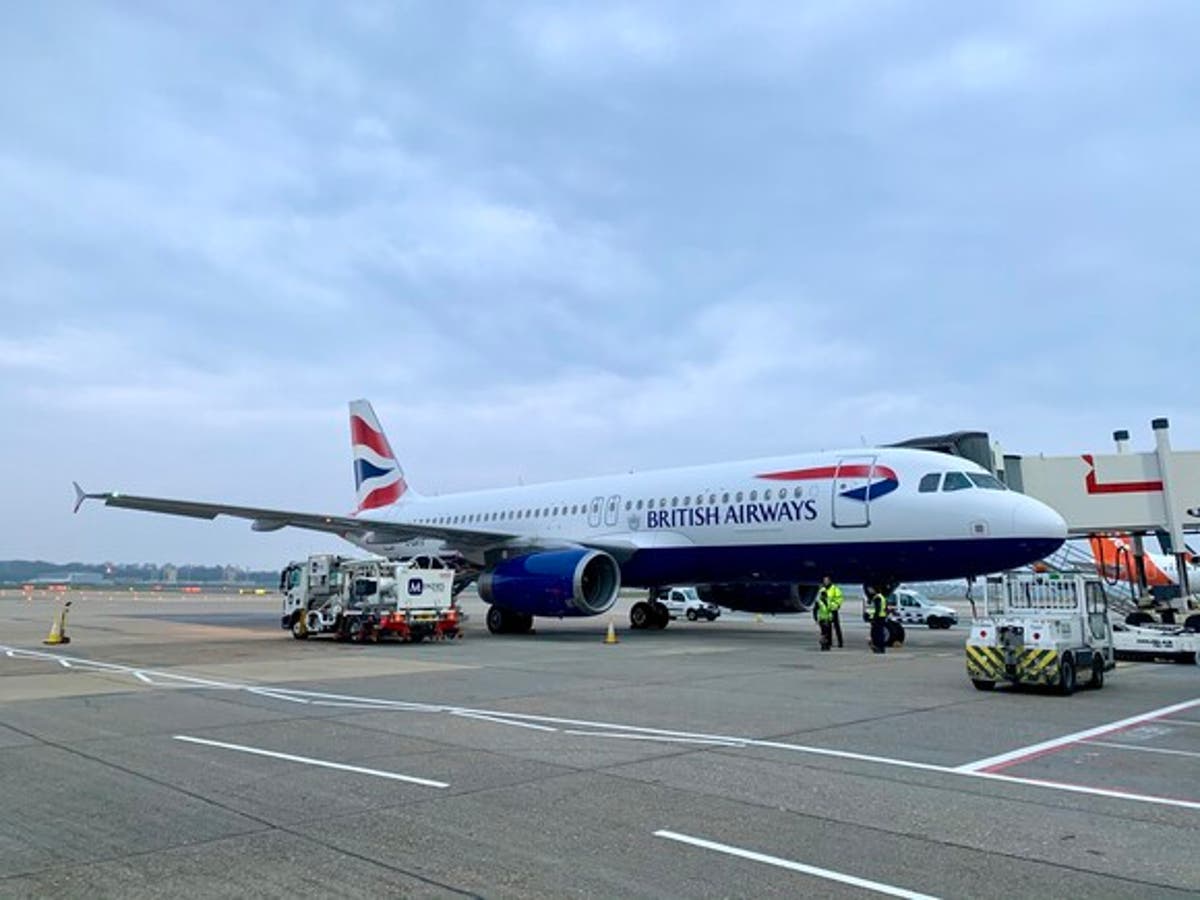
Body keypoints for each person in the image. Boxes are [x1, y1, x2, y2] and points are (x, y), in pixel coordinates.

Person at [818, 576, 844, 648]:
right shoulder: (822, 590)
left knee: (836, 627)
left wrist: (834, 606)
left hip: (833, 610)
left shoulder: (835, 589)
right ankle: (828, 642)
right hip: (826, 612)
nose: (825, 582)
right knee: (827, 628)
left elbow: (839, 599)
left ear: (830, 581)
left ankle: (840, 642)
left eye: (826, 580)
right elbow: (820, 600)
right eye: (824, 580)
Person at [867, 585, 889, 654]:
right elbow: (886, 608)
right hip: (882, 617)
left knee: (876, 634)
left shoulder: (877, 598)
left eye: (871, 589)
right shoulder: (882, 597)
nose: (870, 590)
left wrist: (874, 619)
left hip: (878, 618)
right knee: (880, 633)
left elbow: (877, 609)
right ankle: (881, 648)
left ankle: (878, 647)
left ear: (875, 590)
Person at [813, 585, 834, 650]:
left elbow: (831, 610)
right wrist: (816, 619)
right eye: (824, 594)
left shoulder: (829, 601)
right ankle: (823, 645)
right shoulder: (819, 602)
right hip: (822, 620)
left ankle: (828, 645)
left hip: (829, 620)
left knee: (829, 633)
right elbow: (815, 611)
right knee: (824, 633)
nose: (825, 595)